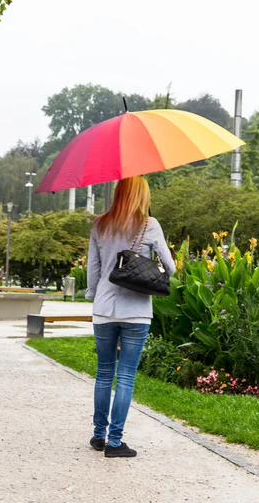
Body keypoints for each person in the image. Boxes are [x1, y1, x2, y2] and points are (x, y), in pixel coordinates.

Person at [86, 176, 175, 458]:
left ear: (118, 193)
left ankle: (99, 436)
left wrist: (93, 294)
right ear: (142, 196)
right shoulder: (150, 224)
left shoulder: (100, 223)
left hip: (103, 308)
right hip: (136, 311)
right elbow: (169, 269)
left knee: (103, 373)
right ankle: (115, 443)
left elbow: (94, 269)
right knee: (125, 376)